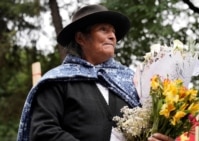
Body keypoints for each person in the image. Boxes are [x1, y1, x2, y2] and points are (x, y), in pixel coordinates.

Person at [16, 4, 174, 141]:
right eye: (103, 30)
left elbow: (148, 129)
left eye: (113, 32)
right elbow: (43, 131)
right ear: (81, 38)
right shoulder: (57, 80)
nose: (112, 36)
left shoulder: (132, 82)